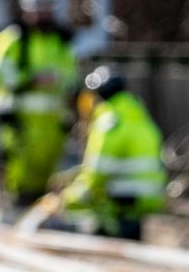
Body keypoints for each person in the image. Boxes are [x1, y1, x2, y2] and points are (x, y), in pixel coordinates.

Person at [0, 0, 78, 204]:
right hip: (20, 125)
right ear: (28, 8)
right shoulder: (12, 40)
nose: (45, 13)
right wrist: (30, 80)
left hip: (51, 126)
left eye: (49, 8)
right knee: (19, 178)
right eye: (40, 8)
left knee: (48, 177)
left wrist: (63, 86)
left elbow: (71, 77)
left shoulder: (61, 42)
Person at [61, 67, 167, 239]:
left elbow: (96, 176)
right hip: (147, 196)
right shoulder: (138, 116)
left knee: (89, 210)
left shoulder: (109, 123)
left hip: (122, 198)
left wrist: (67, 199)